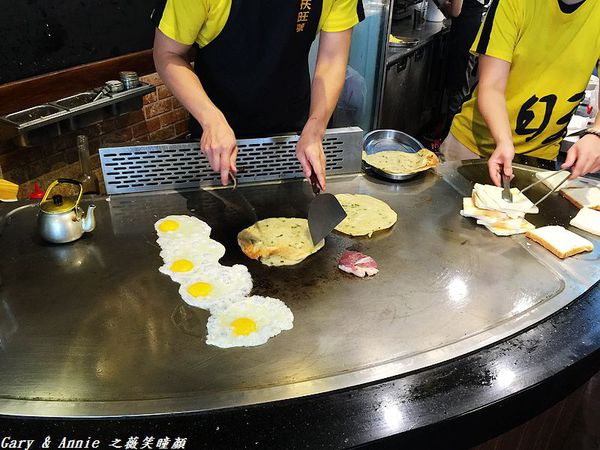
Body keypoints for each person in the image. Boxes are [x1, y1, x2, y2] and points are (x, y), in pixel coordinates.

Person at [151, 0, 365, 189]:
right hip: (217, 139)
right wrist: (211, 120)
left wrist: (316, 128)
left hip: (292, 139)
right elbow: (167, 53)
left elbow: (332, 58)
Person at [441, 0, 600, 186]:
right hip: (474, 150)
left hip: (540, 160)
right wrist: (504, 140)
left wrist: (597, 134)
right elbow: (491, 85)